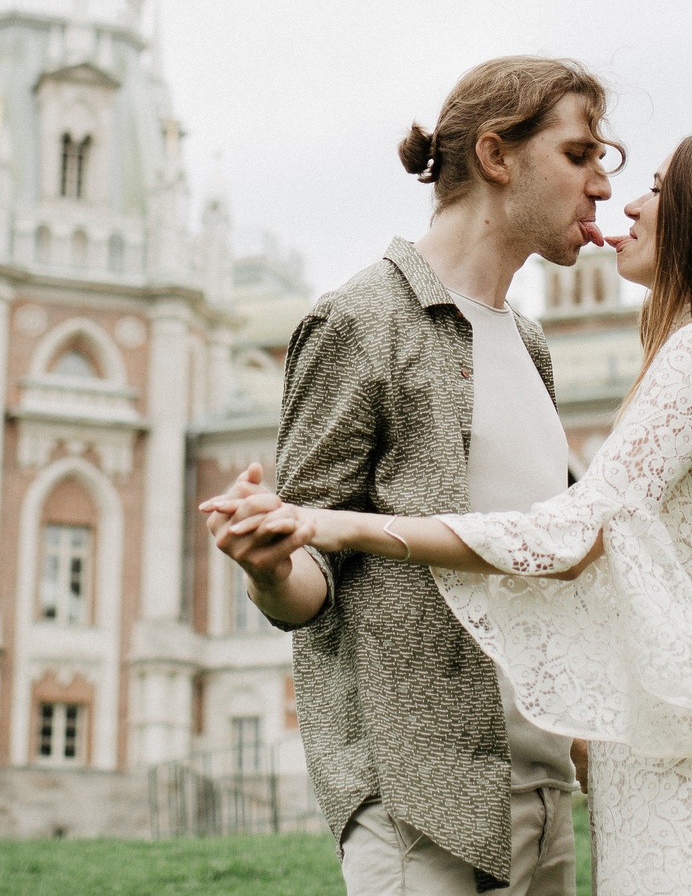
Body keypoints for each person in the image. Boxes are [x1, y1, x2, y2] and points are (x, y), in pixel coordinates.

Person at [210, 128, 692, 896]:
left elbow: (575, 533)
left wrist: (339, 523)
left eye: (658, 187)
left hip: (685, 757)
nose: (627, 201)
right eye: (585, 159)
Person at [205, 56, 618, 895]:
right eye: (579, 155)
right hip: (415, 803)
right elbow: (311, 576)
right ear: (497, 156)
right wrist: (268, 565)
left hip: (544, 790)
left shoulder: (530, 344)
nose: (603, 186)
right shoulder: (359, 320)